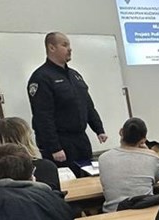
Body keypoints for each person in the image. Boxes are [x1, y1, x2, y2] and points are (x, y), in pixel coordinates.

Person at [27, 31, 108, 168]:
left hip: (80, 139)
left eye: (69, 45)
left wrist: (99, 129)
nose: (70, 49)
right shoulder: (41, 77)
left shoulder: (75, 75)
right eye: (64, 45)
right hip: (60, 142)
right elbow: (43, 116)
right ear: (51, 48)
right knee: (68, 177)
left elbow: (88, 105)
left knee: (87, 174)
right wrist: (54, 147)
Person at [98, 117, 159, 213]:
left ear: (121, 132)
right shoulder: (152, 157)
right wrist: (147, 151)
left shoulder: (103, 158)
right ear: (143, 140)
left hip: (113, 213)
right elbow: (156, 178)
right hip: (145, 211)